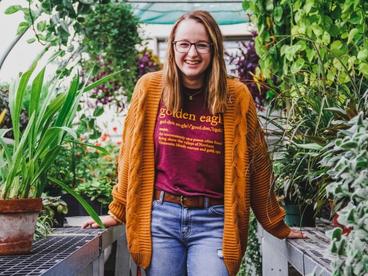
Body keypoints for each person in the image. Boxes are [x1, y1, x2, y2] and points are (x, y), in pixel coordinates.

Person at [82, 10, 304, 276]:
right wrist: (117, 211)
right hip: (160, 219)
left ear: (214, 49)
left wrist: (276, 223)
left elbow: (256, 165)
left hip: (215, 221)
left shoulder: (236, 96)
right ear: (173, 47)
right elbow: (130, 157)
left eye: (201, 44)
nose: (192, 53)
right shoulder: (150, 88)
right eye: (184, 44)